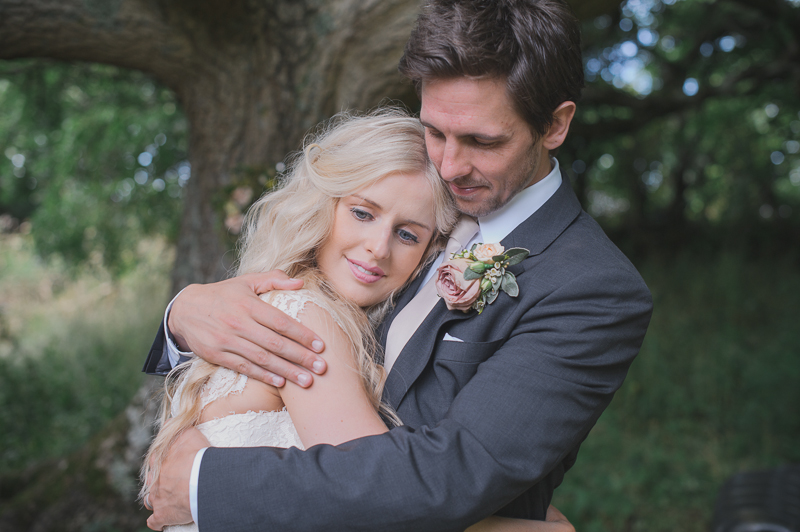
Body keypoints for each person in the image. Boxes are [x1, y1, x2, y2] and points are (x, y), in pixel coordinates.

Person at [144, 0, 653, 530]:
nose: (450, 166)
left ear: (555, 125)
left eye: (483, 141)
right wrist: (182, 315)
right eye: (434, 131)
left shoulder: (591, 288)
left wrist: (207, 486)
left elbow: (450, 476)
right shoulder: (417, 196)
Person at [141, 109, 573, 532]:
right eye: (362, 213)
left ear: (428, 253)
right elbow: (380, 499)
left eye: (407, 234)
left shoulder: (290, 305)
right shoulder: (305, 317)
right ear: (323, 205)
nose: (378, 248)